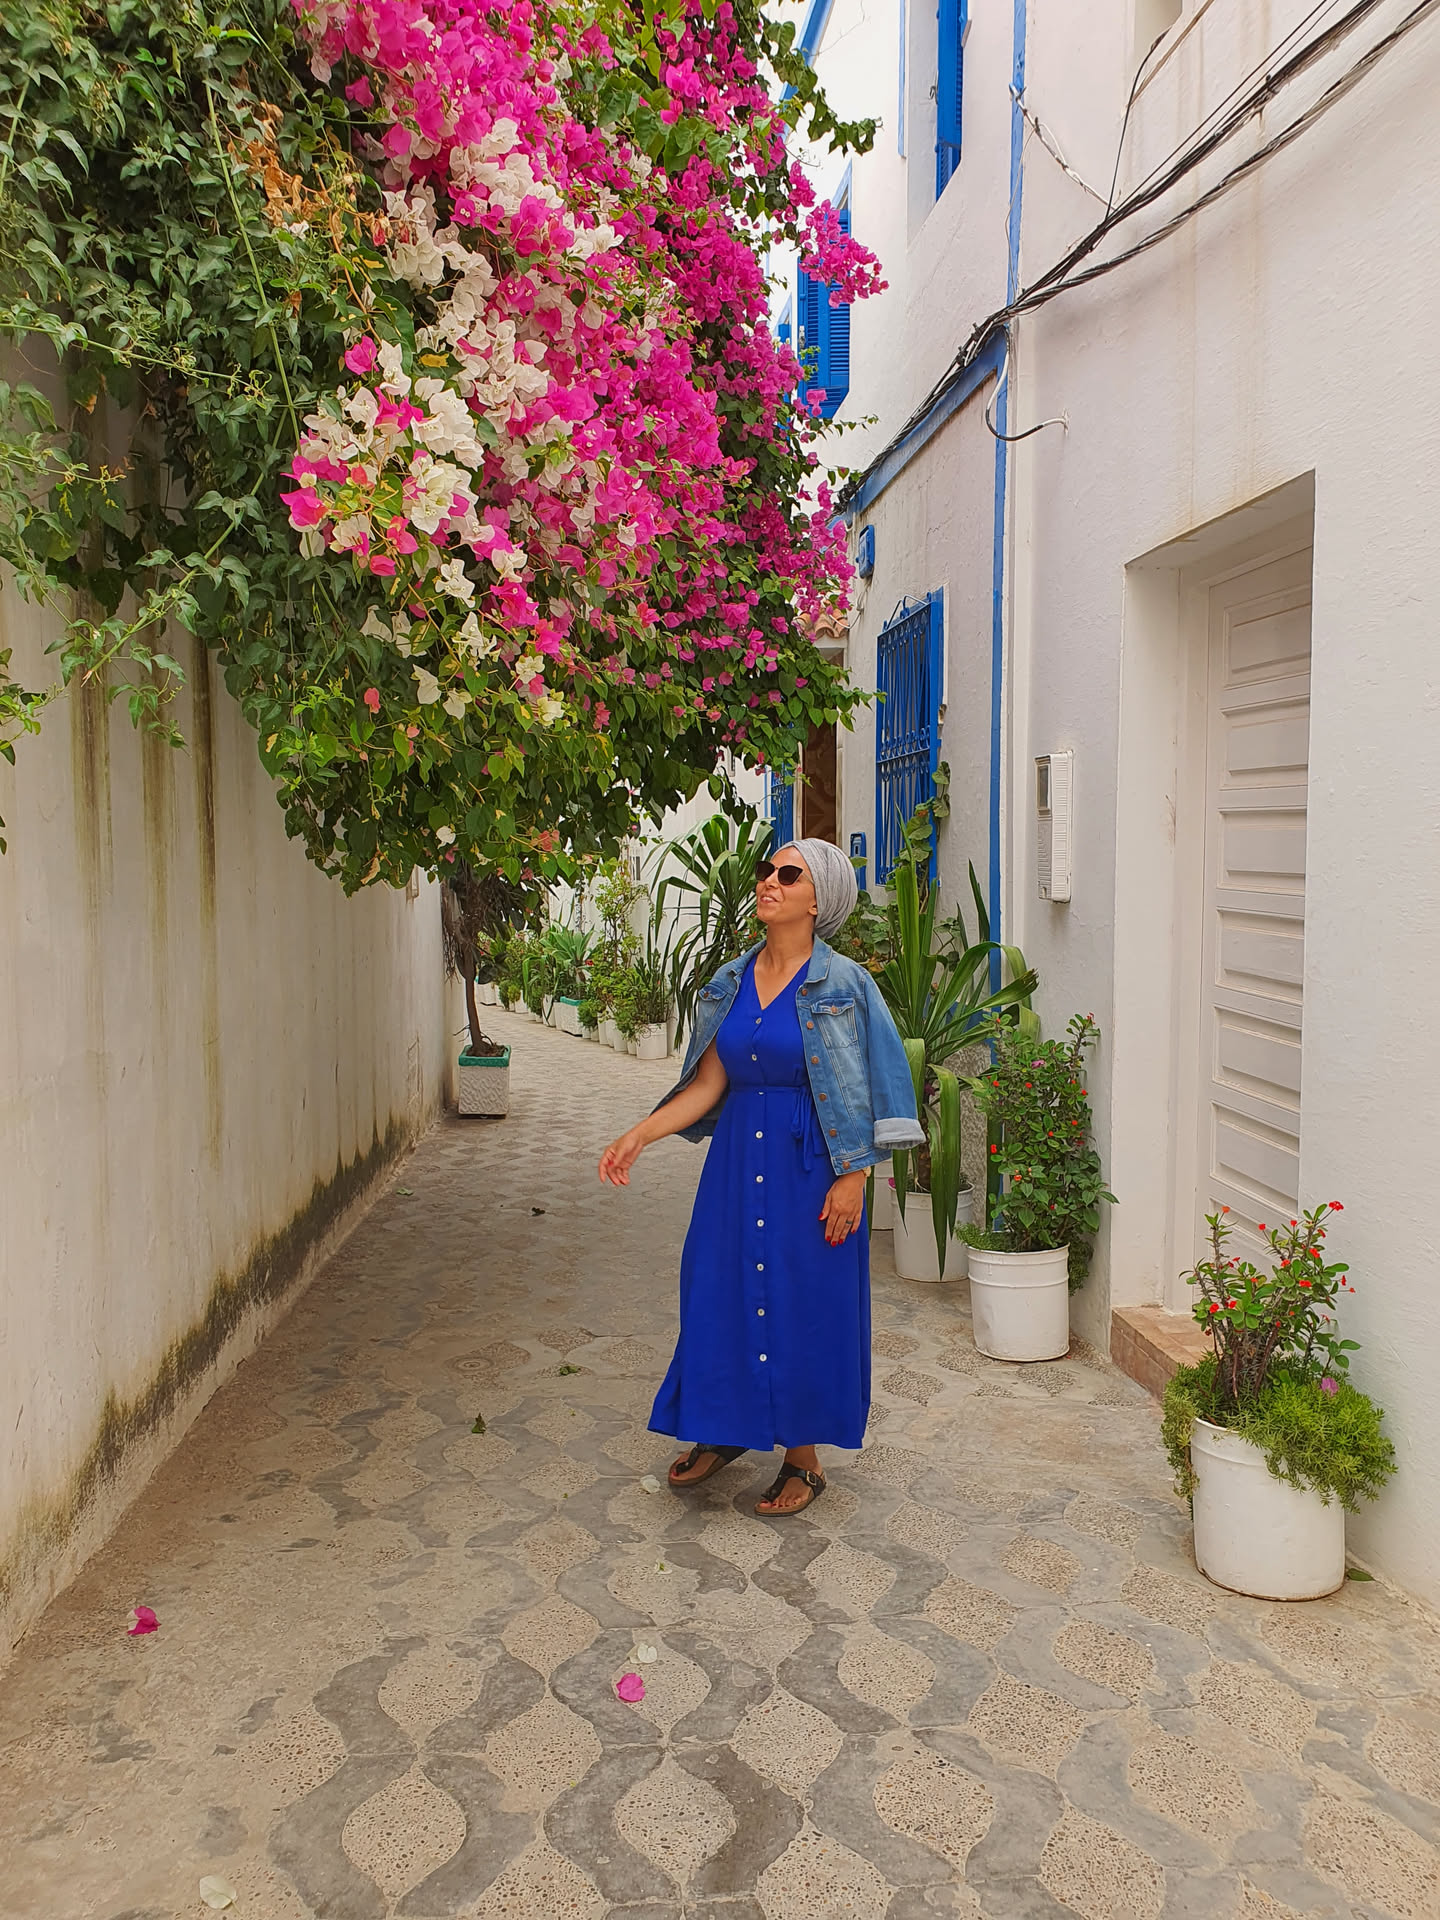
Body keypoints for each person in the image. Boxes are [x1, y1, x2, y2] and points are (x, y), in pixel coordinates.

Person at [598, 838, 923, 1515]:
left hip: (812, 1168)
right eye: (766, 871)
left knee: (806, 1303)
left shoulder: (846, 984)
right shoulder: (730, 980)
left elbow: (887, 1080)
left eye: (788, 874)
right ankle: (725, 1427)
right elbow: (708, 1083)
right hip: (735, 1167)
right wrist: (641, 1133)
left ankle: (803, 1460)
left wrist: (856, 1176)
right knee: (719, 1289)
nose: (769, 881)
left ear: (819, 900)